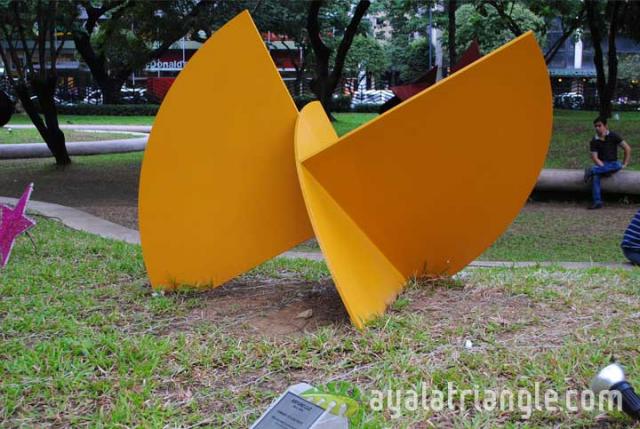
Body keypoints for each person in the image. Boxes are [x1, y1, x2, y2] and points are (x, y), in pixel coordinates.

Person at [584, 116, 631, 209]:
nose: (597, 128)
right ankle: (597, 202)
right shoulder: (594, 140)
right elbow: (595, 158)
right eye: (595, 126)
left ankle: (592, 170)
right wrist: (603, 168)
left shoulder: (613, 135)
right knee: (596, 176)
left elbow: (627, 148)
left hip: (614, 163)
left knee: (617, 165)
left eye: (599, 125)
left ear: (605, 125)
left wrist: (625, 163)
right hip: (602, 164)